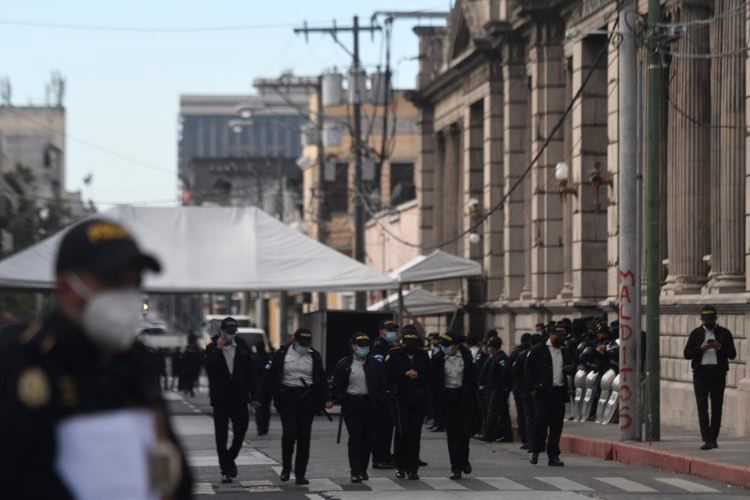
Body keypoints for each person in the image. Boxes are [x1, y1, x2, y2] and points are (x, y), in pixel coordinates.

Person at [0, 218, 192, 499]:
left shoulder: (134, 362)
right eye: (112, 281)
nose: (127, 294)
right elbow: (18, 477)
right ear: (66, 286)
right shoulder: (26, 360)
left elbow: (169, 462)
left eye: (134, 281)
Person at [254, 328, 333, 485]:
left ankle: (300, 473)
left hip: (307, 399)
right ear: (294, 340)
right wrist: (259, 397)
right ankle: (286, 468)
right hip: (287, 398)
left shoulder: (314, 356)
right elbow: (268, 377)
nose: (305, 344)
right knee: (289, 434)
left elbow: (321, 380)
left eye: (308, 341)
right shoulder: (281, 354)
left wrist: (327, 399)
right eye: (302, 341)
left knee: (304, 437)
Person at [204, 316, 256, 483]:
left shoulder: (242, 346)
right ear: (222, 331)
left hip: (240, 397)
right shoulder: (211, 347)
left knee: (241, 430)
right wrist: (218, 348)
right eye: (228, 331)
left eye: (234, 331)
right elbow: (209, 369)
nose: (231, 334)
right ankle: (226, 469)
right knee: (221, 435)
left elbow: (250, 372)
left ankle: (230, 457)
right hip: (221, 398)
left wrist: (254, 396)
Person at [683, 305, 737, 450]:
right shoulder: (696, 334)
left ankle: (713, 438)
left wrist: (719, 347)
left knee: (717, 407)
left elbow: (732, 354)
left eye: (711, 319)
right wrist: (701, 349)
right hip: (701, 374)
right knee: (702, 407)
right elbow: (687, 354)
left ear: (716, 318)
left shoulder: (724, 333)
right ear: (701, 319)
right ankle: (707, 439)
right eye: (706, 319)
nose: (709, 322)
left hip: (718, 374)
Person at [332, 333, 382, 483]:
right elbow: (337, 385)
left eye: (366, 346)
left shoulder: (374, 363)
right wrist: (339, 399)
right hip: (352, 404)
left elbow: (382, 383)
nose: (364, 349)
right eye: (361, 346)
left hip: (369, 403)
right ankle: (355, 470)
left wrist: (381, 399)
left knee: (367, 438)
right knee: (355, 437)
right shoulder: (344, 364)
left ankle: (363, 469)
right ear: (353, 346)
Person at [525, 324, 574, 466]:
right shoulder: (539, 350)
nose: (560, 340)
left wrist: (570, 368)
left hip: (558, 392)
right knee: (540, 422)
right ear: (550, 335)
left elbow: (572, 364)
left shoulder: (564, 349)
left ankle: (553, 456)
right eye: (557, 337)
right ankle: (535, 450)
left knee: (556, 425)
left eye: (563, 337)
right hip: (542, 393)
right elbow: (528, 370)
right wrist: (532, 389)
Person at [385, 325, 430, 480]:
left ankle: (412, 467)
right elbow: (387, 374)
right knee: (402, 432)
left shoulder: (423, 355)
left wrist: (418, 375)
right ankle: (400, 465)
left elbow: (429, 375)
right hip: (399, 398)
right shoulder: (394, 354)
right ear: (402, 343)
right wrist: (404, 374)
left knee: (415, 434)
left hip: (418, 398)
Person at [431, 333, 478, 480]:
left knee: (464, 434)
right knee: (452, 435)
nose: (445, 348)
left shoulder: (466, 355)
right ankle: (455, 467)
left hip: (463, 398)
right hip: (447, 399)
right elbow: (434, 383)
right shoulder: (438, 358)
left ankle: (464, 460)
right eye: (443, 345)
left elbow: (472, 378)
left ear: (457, 345)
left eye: (448, 345)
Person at [370, 319, 400, 468]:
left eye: (394, 329)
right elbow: (378, 370)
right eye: (390, 330)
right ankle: (379, 458)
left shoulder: (389, 346)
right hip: (382, 393)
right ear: (382, 331)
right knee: (381, 428)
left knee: (388, 427)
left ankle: (386, 456)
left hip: (388, 392)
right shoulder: (378, 347)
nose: (393, 333)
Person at [506, 333, 532, 449]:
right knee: (529, 414)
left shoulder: (516, 353)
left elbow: (508, 370)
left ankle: (525, 439)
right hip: (527, 388)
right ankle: (529, 439)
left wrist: (508, 385)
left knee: (522, 413)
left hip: (518, 388)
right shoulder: (529, 353)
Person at [252, 340, 272, 436]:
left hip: (257, 387)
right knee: (266, 408)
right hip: (267, 387)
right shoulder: (268, 357)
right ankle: (265, 427)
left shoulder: (254, 358)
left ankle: (260, 428)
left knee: (258, 408)